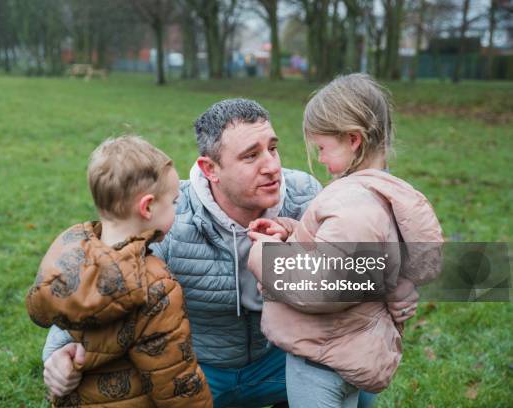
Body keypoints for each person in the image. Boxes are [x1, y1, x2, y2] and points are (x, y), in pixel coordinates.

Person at [41, 99, 420, 408]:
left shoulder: (306, 194)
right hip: (200, 371)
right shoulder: (170, 214)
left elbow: (353, 257)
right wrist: (56, 355)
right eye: (251, 156)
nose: (272, 166)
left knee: (356, 368)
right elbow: (101, 279)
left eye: (272, 147)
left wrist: (396, 283)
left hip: (281, 359)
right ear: (211, 169)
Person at [247, 73, 443, 407]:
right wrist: (295, 233)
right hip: (352, 352)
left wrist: (264, 253)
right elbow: (354, 260)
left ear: (353, 139)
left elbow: (324, 286)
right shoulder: (383, 193)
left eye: (322, 148)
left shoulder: (351, 204)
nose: (320, 159)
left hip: (322, 359)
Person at [26, 136, 212, 407]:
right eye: (173, 202)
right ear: (147, 207)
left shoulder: (68, 251)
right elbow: (175, 380)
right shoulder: (155, 284)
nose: (176, 209)